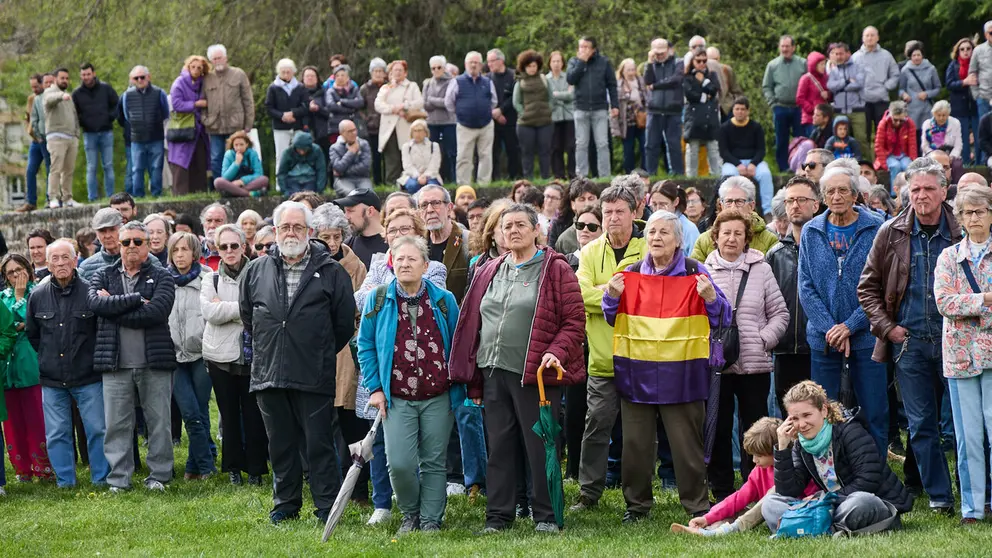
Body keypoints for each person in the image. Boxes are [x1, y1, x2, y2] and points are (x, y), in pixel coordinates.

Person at [449, 203, 585, 533]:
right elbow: (474, 321)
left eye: (521, 225)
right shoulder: (489, 269)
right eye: (507, 226)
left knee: (541, 446)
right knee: (499, 447)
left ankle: (547, 516)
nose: (513, 230)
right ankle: (498, 517)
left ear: (536, 229)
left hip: (535, 374)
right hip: (493, 371)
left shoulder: (555, 268)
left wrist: (555, 352)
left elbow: (574, 320)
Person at [601, 210, 729, 520]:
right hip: (637, 371)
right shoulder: (630, 272)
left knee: (687, 446)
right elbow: (611, 318)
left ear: (678, 240)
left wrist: (711, 298)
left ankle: (697, 506)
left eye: (664, 233)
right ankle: (636, 506)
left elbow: (724, 317)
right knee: (635, 445)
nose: (656, 238)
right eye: (652, 232)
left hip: (682, 372)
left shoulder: (694, 271)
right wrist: (611, 297)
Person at [239, 200, 356, 524]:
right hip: (269, 372)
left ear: (310, 232)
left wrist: (314, 348)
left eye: (298, 227)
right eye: (285, 227)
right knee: (280, 445)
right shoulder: (256, 269)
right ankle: (285, 505)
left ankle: (326, 508)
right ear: (276, 231)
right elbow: (249, 315)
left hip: (313, 372)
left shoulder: (331, 272)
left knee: (318, 445)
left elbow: (344, 323)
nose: (291, 232)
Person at [858, 156, 959, 514]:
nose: (921, 195)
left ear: (943, 191)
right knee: (921, 426)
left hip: (958, 341)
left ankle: (976, 492)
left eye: (929, 189)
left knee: (965, 424)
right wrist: (888, 328)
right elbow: (867, 289)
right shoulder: (891, 232)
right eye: (914, 189)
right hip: (910, 344)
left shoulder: (961, 229)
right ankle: (940, 498)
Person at [358, 234, 462, 535]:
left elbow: (457, 342)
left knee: (433, 460)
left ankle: (430, 519)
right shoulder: (377, 299)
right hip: (396, 396)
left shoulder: (444, 300)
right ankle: (410, 513)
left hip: (437, 395)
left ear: (425, 265)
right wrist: (375, 388)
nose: (404, 264)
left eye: (411, 259)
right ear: (391, 262)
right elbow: (364, 346)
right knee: (400, 462)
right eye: (399, 259)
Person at [796, 165, 888, 452]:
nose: (836, 196)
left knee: (874, 412)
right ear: (823, 196)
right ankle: (829, 476)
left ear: (856, 195)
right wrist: (832, 329)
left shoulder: (876, 228)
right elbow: (806, 286)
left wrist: (850, 325)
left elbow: (882, 286)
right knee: (823, 413)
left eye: (843, 191)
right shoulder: (811, 230)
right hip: (823, 339)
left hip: (866, 337)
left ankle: (875, 478)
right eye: (830, 191)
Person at [571, 183, 647, 513]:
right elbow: (578, 295)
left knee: (638, 434)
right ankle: (588, 493)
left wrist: (607, 294)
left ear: (634, 213)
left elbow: (648, 299)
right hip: (602, 359)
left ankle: (638, 499)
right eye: (607, 212)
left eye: (619, 211)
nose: (612, 218)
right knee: (596, 427)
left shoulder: (649, 248)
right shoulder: (588, 252)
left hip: (642, 358)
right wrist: (612, 294)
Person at [704, 210, 789, 501]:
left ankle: (755, 485)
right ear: (715, 237)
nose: (731, 238)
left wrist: (764, 340)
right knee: (719, 426)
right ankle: (722, 489)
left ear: (747, 238)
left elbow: (780, 312)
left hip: (755, 363)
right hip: (718, 364)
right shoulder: (704, 271)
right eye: (726, 232)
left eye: (738, 233)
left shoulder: (761, 268)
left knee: (755, 427)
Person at [88, 221, 177, 492]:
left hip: (154, 362)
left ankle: (159, 476)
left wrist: (114, 305)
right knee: (116, 425)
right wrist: (138, 299)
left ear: (148, 245)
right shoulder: (103, 274)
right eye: (126, 242)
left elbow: (156, 313)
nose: (131, 247)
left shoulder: (162, 276)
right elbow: (95, 304)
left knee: (159, 423)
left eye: (138, 241)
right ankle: (119, 479)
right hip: (115, 363)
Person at [762, 381, 913, 534]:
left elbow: (868, 481)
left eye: (807, 415)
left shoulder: (850, 430)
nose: (801, 424)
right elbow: (789, 490)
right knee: (771, 503)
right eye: (794, 418)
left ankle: (807, 527)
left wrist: (825, 499)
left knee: (861, 501)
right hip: (832, 507)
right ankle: (825, 527)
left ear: (824, 410)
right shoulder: (801, 444)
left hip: (871, 503)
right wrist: (782, 449)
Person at [26, 240, 107, 488]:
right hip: (52, 378)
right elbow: (33, 334)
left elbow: (100, 331)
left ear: (75, 261)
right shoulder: (37, 296)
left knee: (97, 430)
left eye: (65, 258)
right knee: (57, 434)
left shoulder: (90, 291)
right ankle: (65, 482)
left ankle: (101, 479)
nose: (60, 263)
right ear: (48, 264)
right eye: (55, 259)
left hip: (88, 375)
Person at [933, 185, 992, 524]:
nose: (974, 217)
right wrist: (985, 300)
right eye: (967, 212)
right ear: (960, 218)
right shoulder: (949, 257)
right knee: (967, 437)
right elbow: (944, 303)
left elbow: (958, 304)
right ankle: (972, 508)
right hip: (960, 357)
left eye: (980, 210)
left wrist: (967, 305)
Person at [200, 224, 268, 486]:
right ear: (218, 249)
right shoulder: (211, 278)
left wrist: (226, 308)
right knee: (228, 416)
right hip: (221, 356)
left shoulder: (258, 273)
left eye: (234, 245)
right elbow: (209, 312)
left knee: (254, 415)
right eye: (223, 246)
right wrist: (243, 308)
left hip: (254, 355)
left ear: (243, 246)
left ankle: (255, 470)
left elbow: (262, 309)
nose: (229, 251)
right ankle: (233, 468)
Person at [767, 177, 821, 414]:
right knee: (788, 414)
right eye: (790, 200)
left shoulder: (826, 248)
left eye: (801, 199)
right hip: (785, 348)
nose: (795, 205)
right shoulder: (775, 254)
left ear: (816, 205)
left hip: (819, 346)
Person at [163, 231, 214, 480]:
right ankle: (206, 466)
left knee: (201, 411)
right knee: (190, 412)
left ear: (195, 253)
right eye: (175, 250)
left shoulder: (208, 278)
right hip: (174, 357)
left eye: (185, 249)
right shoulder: (163, 279)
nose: (180, 254)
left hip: (202, 354)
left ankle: (196, 467)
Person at [0, 254, 52, 482]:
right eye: (10, 272)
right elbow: (10, 325)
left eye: (19, 270)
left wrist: (20, 299)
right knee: (12, 421)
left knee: (36, 418)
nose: (15, 276)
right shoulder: (2, 297)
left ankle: (43, 468)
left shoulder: (38, 293)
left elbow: (29, 322)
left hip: (30, 362)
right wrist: (17, 322)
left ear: (28, 270)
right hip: (7, 367)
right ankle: (22, 469)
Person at [204, 44, 255, 191]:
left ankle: (236, 187)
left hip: (236, 125)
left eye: (220, 57)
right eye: (214, 59)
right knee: (216, 159)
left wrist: (248, 124)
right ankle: (220, 188)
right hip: (214, 126)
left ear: (225, 58)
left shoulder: (238, 74)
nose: (218, 61)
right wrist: (205, 119)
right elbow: (202, 100)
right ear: (211, 61)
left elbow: (248, 100)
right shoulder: (207, 78)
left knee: (238, 157)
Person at [690, 177, 780, 260]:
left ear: (751, 206)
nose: (733, 207)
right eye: (728, 201)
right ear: (721, 205)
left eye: (739, 201)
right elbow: (695, 275)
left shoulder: (770, 240)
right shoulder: (704, 241)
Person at [567, 36, 619, 178]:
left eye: (586, 47)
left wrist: (615, 105)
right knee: (581, 144)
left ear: (593, 49)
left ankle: (605, 176)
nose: (582, 50)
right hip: (581, 108)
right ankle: (581, 177)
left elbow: (612, 85)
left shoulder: (604, 62)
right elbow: (570, 79)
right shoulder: (574, 61)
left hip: (600, 108)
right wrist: (581, 63)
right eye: (580, 47)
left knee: (602, 143)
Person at [445, 51, 498, 186]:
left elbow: (493, 101)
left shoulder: (487, 81)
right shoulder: (457, 81)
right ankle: (463, 186)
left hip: (486, 125)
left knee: (486, 156)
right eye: (471, 62)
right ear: (465, 64)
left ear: (481, 65)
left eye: (476, 63)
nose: (473, 65)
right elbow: (449, 102)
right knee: (463, 157)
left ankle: (484, 184)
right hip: (465, 125)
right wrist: (461, 113)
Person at [718, 97, 774, 218]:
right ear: (733, 110)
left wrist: (753, 164)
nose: (740, 112)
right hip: (732, 162)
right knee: (727, 177)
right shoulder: (724, 128)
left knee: (765, 174)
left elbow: (761, 150)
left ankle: (768, 211)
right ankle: (725, 209)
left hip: (754, 162)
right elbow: (724, 152)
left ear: (748, 111)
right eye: (737, 109)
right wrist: (738, 164)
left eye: (743, 109)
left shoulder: (756, 127)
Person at [72, 62, 118, 201]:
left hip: (106, 132)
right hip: (89, 134)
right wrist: (83, 123)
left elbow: (116, 104)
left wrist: (109, 118)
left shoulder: (106, 89)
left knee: (108, 165)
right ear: (81, 76)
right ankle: (92, 197)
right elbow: (74, 113)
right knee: (91, 167)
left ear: (94, 74)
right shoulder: (77, 94)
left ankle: (111, 197)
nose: (86, 77)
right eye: (83, 75)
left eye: (88, 74)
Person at [121, 66, 169, 198]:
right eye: (136, 78)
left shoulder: (160, 93)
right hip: (137, 138)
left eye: (142, 77)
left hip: (156, 137)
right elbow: (126, 116)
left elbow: (165, 113)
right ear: (132, 79)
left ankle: (156, 194)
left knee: (156, 168)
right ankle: (138, 196)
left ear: (149, 77)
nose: (140, 80)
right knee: (136, 169)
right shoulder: (127, 95)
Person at [375, 60, 424, 185]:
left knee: (407, 157)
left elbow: (419, 102)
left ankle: (407, 186)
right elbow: (378, 105)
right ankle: (391, 186)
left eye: (400, 70)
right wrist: (394, 109)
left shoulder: (412, 86)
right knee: (392, 160)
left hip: (406, 128)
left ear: (405, 73)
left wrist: (405, 106)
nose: (397, 72)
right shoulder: (385, 88)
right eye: (394, 70)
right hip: (389, 129)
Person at [169, 55, 211, 195]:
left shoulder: (204, 83)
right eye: (193, 67)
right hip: (183, 129)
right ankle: (180, 193)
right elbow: (176, 104)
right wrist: (195, 104)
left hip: (199, 130)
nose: (196, 70)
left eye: (199, 68)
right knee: (181, 162)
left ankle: (199, 192)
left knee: (199, 160)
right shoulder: (179, 83)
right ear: (188, 67)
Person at [852, 26, 901, 148]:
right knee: (864, 133)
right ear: (863, 38)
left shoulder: (886, 55)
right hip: (862, 100)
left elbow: (895, 74)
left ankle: (885, 160)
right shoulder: (855, 57)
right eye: (867, 35)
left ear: (877, 37)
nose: (870, 38)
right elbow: (850, 77)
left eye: (872, 35)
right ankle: (865, 161)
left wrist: (887, 86)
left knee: (884, 131)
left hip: (881, 99)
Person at [762, 35, 806, 171]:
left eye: (787, 46)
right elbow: (766, 86)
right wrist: (773, 104)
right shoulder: (773, 65)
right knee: (781, 139)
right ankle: (783, 168)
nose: (785, 49)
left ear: (793, 47)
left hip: (799, 108)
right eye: (782, 46)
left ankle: (800, 167)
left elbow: (809, 82)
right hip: (780, 107)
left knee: (801, 140)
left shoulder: (803, 63)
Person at [643, 38, 684, 176]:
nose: (660, 55)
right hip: (654, 110)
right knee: (651, 145)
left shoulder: (678, 62)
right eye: (657, 52)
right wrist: (649, 62)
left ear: (668, 50)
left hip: (673, 110)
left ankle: (678, 174)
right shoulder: (650, 65)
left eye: (662, 52)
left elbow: (676, 80)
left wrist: (656, 85)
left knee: (674, 144)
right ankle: (650, 174)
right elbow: (647, 81)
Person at [42, 68, 80, 208]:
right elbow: (49, 101)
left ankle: (67, 198)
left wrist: (76, 134)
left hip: (71, 137)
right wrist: (59, 96)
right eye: (62, 78)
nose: (65, 80)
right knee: (56, 168)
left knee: (68, 170)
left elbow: (74, 116)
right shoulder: (50, 92)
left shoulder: (68, 95)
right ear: (55, 79)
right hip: (56, 137)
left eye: (66, 78)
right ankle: (53, 197)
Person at [513, 50, 554, 179]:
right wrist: (523, 113)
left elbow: (551, 97)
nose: (532, 69)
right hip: (525, 123)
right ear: (524, 67)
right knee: (527, 152)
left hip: (545, 122)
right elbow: (516, 101)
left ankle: (546, 177)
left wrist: (549, 110)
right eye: (529, 66)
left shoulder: (544, 79)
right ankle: (528, 179)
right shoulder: (520, 82)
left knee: (545, 152)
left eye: (534, 66)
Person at [682, 47, 722, 177]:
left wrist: (704, 81)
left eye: (704, 61)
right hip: (694, 119)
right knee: (692, 150)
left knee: (713, 150)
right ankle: (690, 178)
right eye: (698, 61)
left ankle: (716, 177)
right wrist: (705, 96)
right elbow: (690, 94)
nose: (701, 64)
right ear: (692, 61)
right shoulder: (687, 77)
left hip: (710, 118)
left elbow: (714, 90)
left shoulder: (712, 75)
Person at [486, 49, 522, 180]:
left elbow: (515, 96)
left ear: (501, 61)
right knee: (493, 152)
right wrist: (494, 113)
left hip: (510, 120)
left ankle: (515, 177)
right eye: (488, 61)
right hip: (492, 121)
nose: (489, 64)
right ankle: (494, 178)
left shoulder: (513, 75)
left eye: (492, 61)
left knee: (513, 150)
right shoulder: (487, 78)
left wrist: (501, 110)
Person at [22, 72, 54, 212]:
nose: (34, 89)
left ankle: (49, 198)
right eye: (32, 87)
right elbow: (28, 117)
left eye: (36, 86)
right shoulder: (32, 99)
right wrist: (31, 131)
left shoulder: (48, 98)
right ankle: (31, 202)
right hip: (36, 140)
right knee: (30, 170)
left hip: (46, 139)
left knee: (49, 169)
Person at [827, 43, 869, 151]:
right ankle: (841, 164)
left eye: (841, 54)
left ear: (848, 54)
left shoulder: (858, 67)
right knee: (840, 140)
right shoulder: (834, 70)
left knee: (861, 139)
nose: (838, 56)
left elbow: (859, 84)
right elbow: (830, 86)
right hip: (839, 110)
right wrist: (846, 81)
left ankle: (866, 165)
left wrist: (840, 87)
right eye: (836, 54)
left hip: (857, 110)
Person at [423, 56, 457, 183]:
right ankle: (435, 179)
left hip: (449, 122)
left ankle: (454, 179)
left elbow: (448, 103)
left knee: (451, 151)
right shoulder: (427, 83)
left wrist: (432, 100)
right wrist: (437, 102)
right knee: (433, 152)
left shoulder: (452, 82)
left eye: (439, 67)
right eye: (433, 68)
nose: (436, 70)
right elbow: (425, 104)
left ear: (444, 68)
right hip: (432, 122)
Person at [945, 38, 979, 166]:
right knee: (962, 136)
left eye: (968, 49)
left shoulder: (977, 63)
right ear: (957, 51)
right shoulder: (953, 65)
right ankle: (965, 163)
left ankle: (979, 163)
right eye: (962, 49)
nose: (965, 51)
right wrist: (964, 82)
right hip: (959, 105)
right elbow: (949, 84)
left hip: (975, 104)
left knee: (978, 134)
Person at [899, 41, 941, 140]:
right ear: (910, 57)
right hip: (912, 110)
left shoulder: (931, 69)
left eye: (918, 55)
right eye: (914, 55)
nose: (916, 57)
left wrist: (927, 94)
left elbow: (938, 88)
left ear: (922, 56)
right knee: (914, 139)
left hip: (927, 110)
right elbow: (901, 90)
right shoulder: (905, 70)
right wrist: (904, 95)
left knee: (928, 137)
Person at [611, 58, 647, 174]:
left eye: (633, 69)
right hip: (626, 122)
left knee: (645, 146)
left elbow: (646, 98)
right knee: (628, 149)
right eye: (628, 70)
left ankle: (645, 171)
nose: (631, 72)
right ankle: (629, 173)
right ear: (622, 71)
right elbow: (614, 105)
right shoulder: (618, 85)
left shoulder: (640, 81)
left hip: (641, 120)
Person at [338, 188, 387, 270]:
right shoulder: (347, 246)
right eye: (345, 211)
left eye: (350, 211)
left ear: (370, 211)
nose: (346, 216)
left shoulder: (392, 243)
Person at [874, 101, 918, 191]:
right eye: (895, 120)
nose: (898, 123)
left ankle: (908, 191)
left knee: (908, 166)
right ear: (891, 115)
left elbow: (912, 144)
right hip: (888, 155)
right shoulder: (883, 124)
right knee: (895, 166)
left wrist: (913, 159)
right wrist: (884, 164)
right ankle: (894, 194)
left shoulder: (910, 124)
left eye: (901, 120)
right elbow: (879, 146)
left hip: (904, 154)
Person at [648, 181, 699, 257]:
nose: (658, 209)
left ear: (676, 202)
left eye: (663, 204)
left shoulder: (689, 230)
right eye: (654, 204)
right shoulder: (649, 225)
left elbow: (695, 263)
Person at [547, 51, 575, 179]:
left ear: (562, 63)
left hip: (569, 116)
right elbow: (548, 98)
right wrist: (564, 94)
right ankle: (558, 174)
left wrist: (556, 94)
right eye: (554, 61)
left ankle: (572, 173)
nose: (556, 64)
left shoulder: (568, 77)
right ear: (550, 63)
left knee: (571, 146)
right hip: (553, 117)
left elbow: (571, 95)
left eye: (559, 61)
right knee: (555, 147)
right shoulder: (545, 79)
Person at [215, 131, 269, 197]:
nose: (239, 148)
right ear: (233, 145)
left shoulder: (252, 154)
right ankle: (249, 194)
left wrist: (242, 181)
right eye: (236, 145)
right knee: (218, 182)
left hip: (247, 183)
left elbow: (259, 173)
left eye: (241, 144)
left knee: (264, 179)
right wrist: (236, 163)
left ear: (246, 144)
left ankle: (234, 192)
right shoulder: (229, 154)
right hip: (232, 183)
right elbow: (225, 177)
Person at [361, 58, 388, 184]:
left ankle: (389, 181)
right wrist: (366, 119)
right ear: (371, 73)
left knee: (388, 157)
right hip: (372, 128)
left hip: (387, 127)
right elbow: (359, 108)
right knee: (375, 157)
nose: (378, 73)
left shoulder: (389, 86)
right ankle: (377, 182)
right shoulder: (365, 89)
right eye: (375, 71)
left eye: (380, 71)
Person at [328, 119, 373, 195]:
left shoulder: (364, 144)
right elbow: (338, 167)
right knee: (351, 194)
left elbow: (366, 167)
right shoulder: (334, 148)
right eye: (350, 131)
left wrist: (342, 172)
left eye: (355, 130)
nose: (354, 133)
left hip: (362, 178)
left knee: (367, 195)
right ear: (341, 133)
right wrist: (351, 152)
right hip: (343, 180)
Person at [968, 22, 992, 162]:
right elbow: (972, 73)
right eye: (991, 32)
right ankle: (984, 162)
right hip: (984, 96)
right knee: (984, 130)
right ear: (985, 34)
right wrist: (976, 94)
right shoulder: (978, 50)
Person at [276, 131, 326, 197]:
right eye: (299, 149)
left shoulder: (317, 151)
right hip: (292, 181)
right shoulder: (287, 153)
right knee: (295, 197)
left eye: (304, 149)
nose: (302, 152)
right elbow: (282, 173)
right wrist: (285, 191)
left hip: (310, 180)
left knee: (308, 197)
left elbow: (321, 170)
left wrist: (319, 189)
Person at [398, 119, 442, 193]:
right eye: (415, 131)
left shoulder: (434, 146)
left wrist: (425, 176)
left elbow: (434, 165)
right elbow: (407, 165)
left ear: (425, 132)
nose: (417, 133)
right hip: (411, 175)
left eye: (420, 130)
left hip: (431, 175)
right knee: (413, 185)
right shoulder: (406, 147)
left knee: (431, 188)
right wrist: (418, 176)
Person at [921, 101, 963, 178]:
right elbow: (924, 146)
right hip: (932, 154)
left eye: (944, 115)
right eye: (938, 115)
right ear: (934, 114)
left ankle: (956, 187)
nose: (941, 118)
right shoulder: (927, 124)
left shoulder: (955, 123)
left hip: (949, 153)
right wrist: (935, 156)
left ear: (948, 114)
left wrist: (951, 156)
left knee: (957, 165)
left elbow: (958, 145)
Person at [796, 52, 831, 134]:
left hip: (824, 119)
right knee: (813, 144)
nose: (823, 67)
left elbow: (830, 95)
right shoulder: (806, 79)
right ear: (814, 65)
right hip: (810, 119)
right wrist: (813, 110)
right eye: (821, 64)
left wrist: (828, 94)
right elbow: (799, 99)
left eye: (824, 64)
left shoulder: (825, 78)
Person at [301, 66, 331, 157]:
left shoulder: (326, 92)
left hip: (323, 132)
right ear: (303, 78)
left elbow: (330, 112)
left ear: (317, 78)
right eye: (307, 76)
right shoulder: (298, 92)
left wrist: (318, 109)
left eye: (312, 76)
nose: (310, 78)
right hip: (304, 131)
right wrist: (307, 108)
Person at [199, 202, 232, 271]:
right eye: (209, 220)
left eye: (218, 221)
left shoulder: (235, 253)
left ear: (228, 224)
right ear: (203, 224)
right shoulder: (193, 253)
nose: (212, 225)